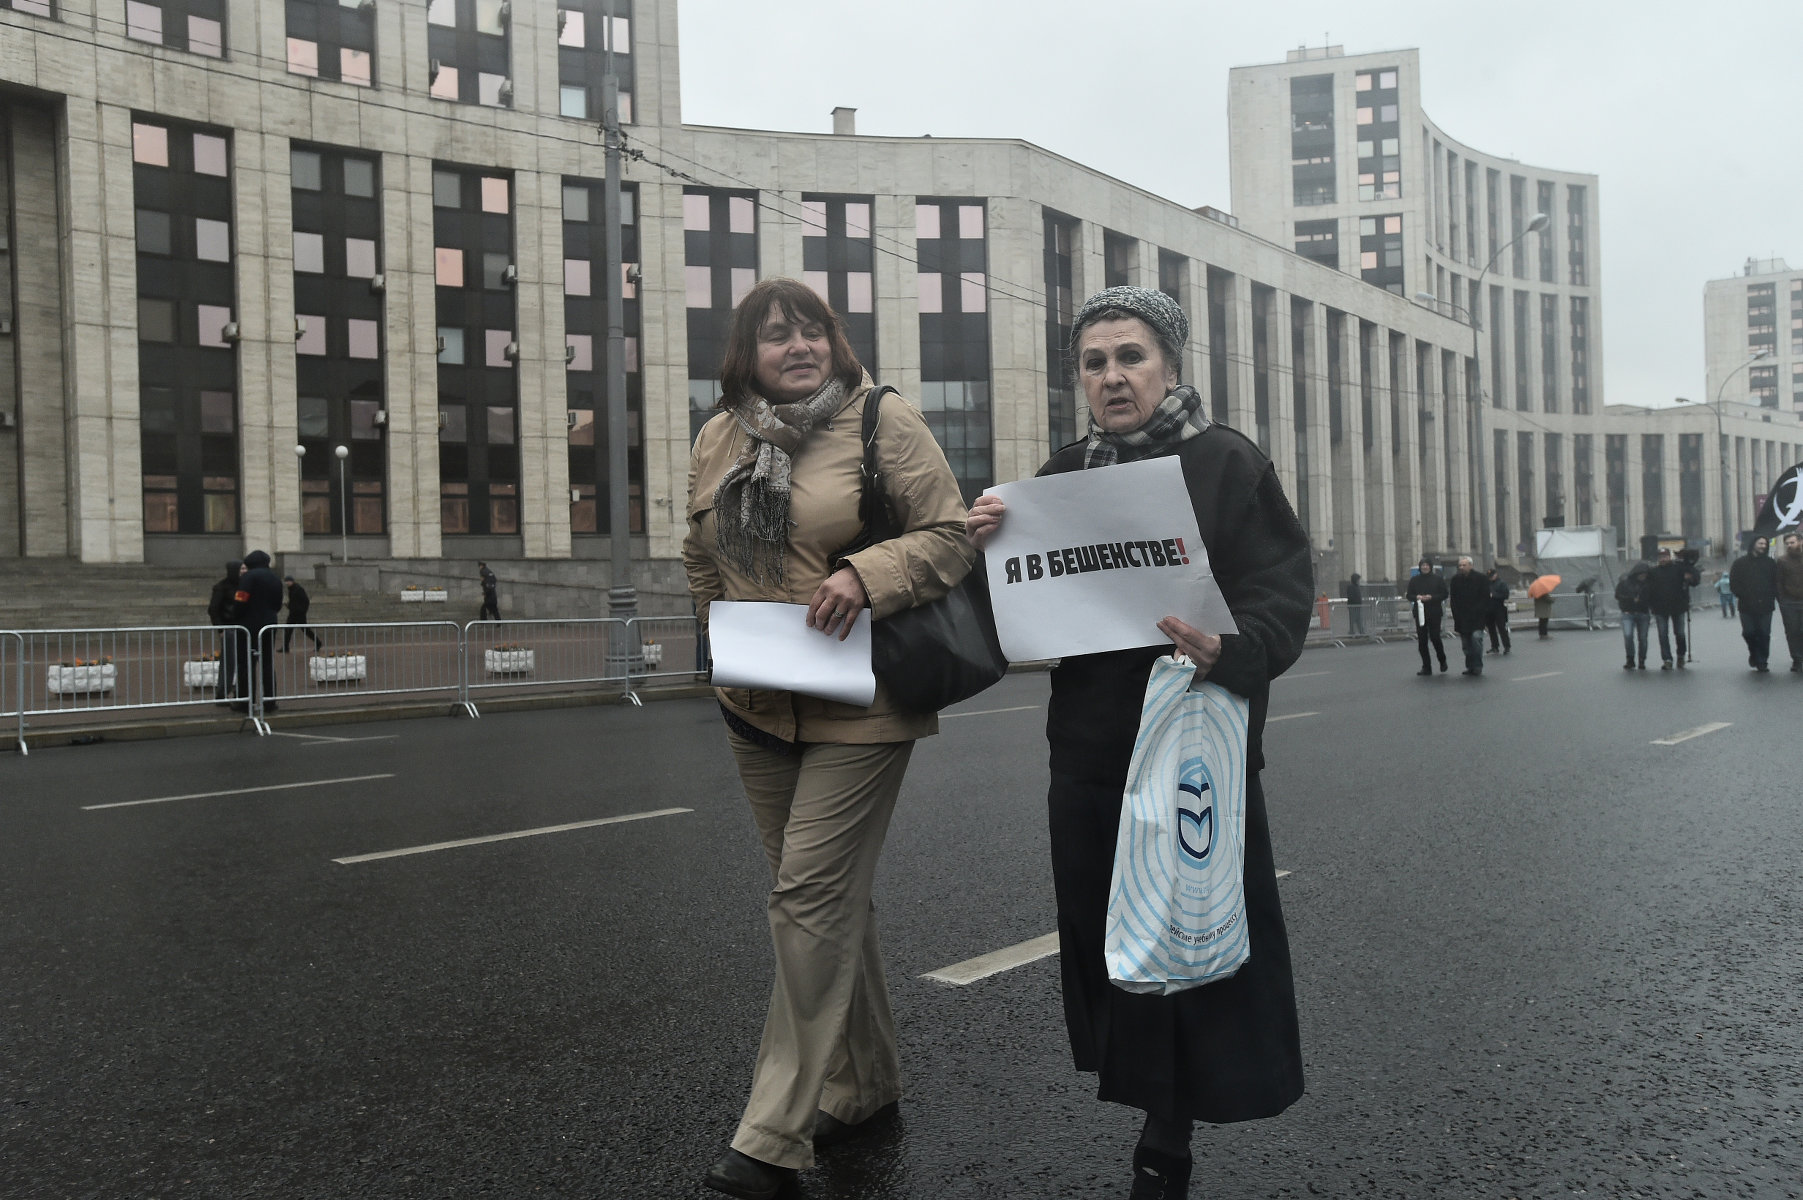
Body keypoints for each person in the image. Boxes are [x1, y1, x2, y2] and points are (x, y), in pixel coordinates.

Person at [965, 285, 1310, 1199]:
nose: (1112, 377)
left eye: (1130, 357)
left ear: (1169, 366)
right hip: (1089, 750)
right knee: (1114, 931)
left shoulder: (1228, 463)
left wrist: (1235, 649)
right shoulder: (1059, 475)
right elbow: (1018, 609)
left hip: (1197, 742)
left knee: (1190, 923)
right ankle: (1150, 1096)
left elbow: (1279, 589)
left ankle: (1171, 1128)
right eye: (1093, 362)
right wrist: (989, 547)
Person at [684, 279, 974, 1200]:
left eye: (812, 329)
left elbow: (951, 536)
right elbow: (698, 550)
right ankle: (866, 1083)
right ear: (747, 354)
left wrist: (861, 573)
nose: (799, 345)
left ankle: (772, 1137)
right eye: (777, 335)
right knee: (819, 898)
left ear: (834, 342)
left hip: (863, 698)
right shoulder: (720, 434)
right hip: (759, 701)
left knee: (808, 895)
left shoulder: (879, 419)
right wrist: (726, 635)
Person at [233, 550, 285, 712]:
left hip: (248, 626)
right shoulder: (275, 578)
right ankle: (269, 701)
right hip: (268, 625)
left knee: (245, 664)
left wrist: (237, 615)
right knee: (267, 663)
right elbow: (278, 603)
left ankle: (245, 701)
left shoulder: (248, 577)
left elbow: (241, 599)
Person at [1646, 547, 1699, 669]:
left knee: (1679, 633)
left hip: (1678, 606)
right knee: (1662, 634)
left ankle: (1681, 655)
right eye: (1661, 557)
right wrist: (1650, 604)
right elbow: (1649, 589)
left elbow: (1694, 580)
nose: (1663, 559)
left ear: (1669, 557)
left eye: (1665, 556)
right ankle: (1667, 659)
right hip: (1660, 608)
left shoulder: (1679, 568)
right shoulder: (1653, 572)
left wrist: (1690, 578)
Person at [1405, 556, 1449, 676]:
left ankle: (1442, 660)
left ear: (1430, 567)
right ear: (1420, 567)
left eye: (1427, 565)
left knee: (1435, 638)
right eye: (1423, 565)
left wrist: (1432, 597)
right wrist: (1417, 597)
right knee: (1422, 641)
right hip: (1420, 613)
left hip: (1434, 612)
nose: (1425, 567)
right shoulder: (1414, 580)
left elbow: (1444, 594)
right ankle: (1426, 666)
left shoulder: (1438, 579)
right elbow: (1409, 595)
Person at [206, 559, 243, 701]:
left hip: (241, 628)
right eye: (241, 569)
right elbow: (213, 609)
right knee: (228, 663)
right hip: (229, 629)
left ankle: (240, 692)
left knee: (241, 662)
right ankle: (223, 693)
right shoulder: (221, 587)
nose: (244, 572)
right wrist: (220, 629)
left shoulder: (243, 586)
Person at [1447, 556, 1488, 676]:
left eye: (1464, 565)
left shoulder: (1481, 578)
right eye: (1460, 565)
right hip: (1462, 617)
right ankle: (1470, 666)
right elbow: (1453, 599)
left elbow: (1485, 598)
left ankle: (1477, 665)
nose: (1461, 567)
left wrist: (1480, 611)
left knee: (1476, 639)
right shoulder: (1455, 579)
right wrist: (1455, 613)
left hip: (1477, 617)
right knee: (1465, 644)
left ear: (1471, 565)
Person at [1614, 561, 1652, 670]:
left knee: (1643, 638)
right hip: (1628, 612)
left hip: (1643, 612)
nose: (1643, 576)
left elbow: (1651, 597)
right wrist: (1630, 600)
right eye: (1642, 574)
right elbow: (1618, 595)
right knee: (1628, 636)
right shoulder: (1625, 583)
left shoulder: (1648, 584)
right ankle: (1630, 659)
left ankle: (1641, 660)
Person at [1779, 532, 1803, 672]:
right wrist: (1782, 600)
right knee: (1792, 632)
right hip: (1789, 603)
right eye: (1787, 543)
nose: (1789, 545)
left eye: (1792, 542)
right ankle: (1797, 659)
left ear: (1800, 541)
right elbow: (1779, 581)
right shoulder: (1782, 561)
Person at [280, 575, 323, 653]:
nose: (286, 583)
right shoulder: (291, 589)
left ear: (291, 581)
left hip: (299, 614)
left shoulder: (298, 589)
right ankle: (286, 647)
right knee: (288, 630)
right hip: (293, 613)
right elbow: (294, 601)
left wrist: (302, 611)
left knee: (305, 630)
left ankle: (318, 643)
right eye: (286, 581)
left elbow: (305, 601)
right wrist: (289, 605)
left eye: (288, 581)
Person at [1485, 567, 1512, 655]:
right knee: (1491, 629)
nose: (1490, 577)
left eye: (1492, 576)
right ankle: (1494, 646)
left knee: (1501, 628)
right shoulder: (1487, 583)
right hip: (1488, 609)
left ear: (1496, 575)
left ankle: (1507, 646)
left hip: (1499, 609)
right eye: (1489, 576)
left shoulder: (1501, 583)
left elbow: (1505, 595)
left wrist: (1494, 595)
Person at [1344, 572, 1366, 636]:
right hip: (1353, 606)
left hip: (1357, 606)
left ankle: (1360, 631)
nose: (1359, 581)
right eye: (1358, 580)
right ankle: (1352, 632)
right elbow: (1351, 597)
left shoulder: (1356, 587)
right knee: (1353, 620)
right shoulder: (1351, 587)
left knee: (1358, 619)